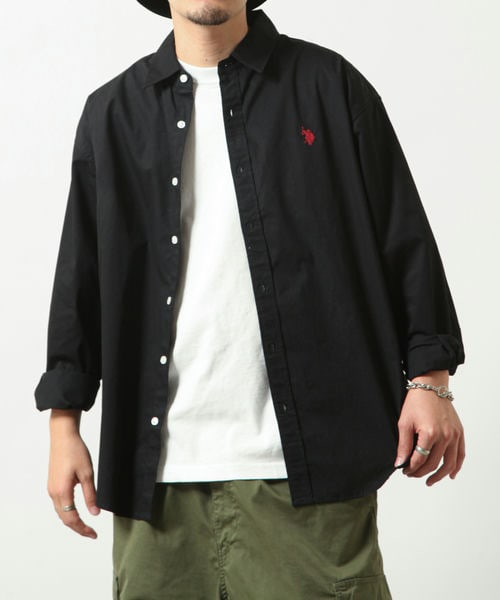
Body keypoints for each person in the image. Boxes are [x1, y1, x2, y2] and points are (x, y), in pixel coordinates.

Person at [34, 1, 466, 598]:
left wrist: (431, 380)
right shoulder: (113, 112)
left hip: (309, 480)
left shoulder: (329, 86)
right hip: (157, 484)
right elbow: (79, 280)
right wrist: (64, 426)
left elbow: (404, 238)